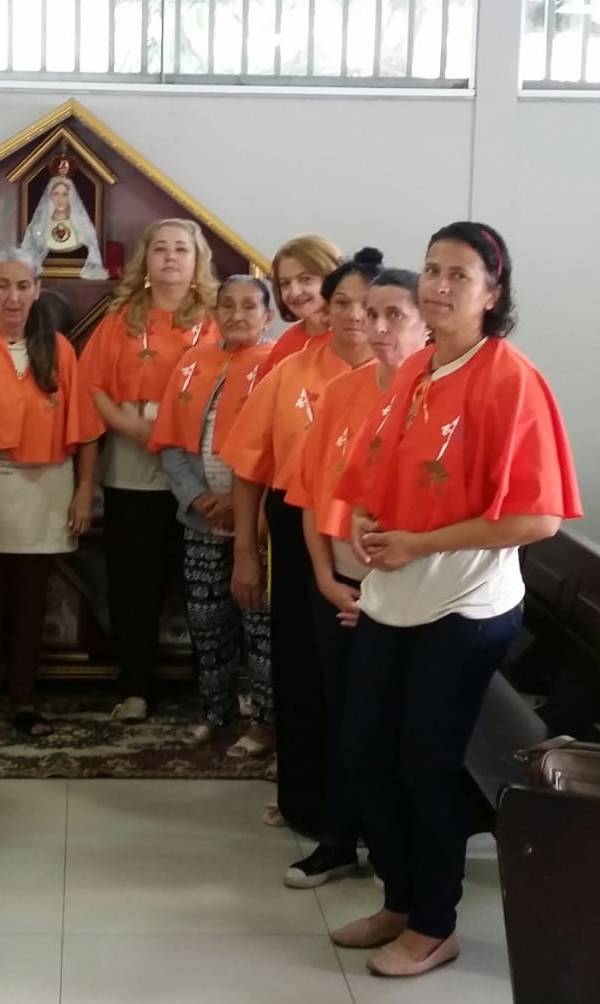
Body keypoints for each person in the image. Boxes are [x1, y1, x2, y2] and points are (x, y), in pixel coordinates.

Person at [330, 222, 582, 977]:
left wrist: (419, 544)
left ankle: (435, 923)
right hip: (395, 597)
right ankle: (401, 899)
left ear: (492, 293)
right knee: (364, 755)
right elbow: (382, 472)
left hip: (464, 606)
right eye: (432, 269)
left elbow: (538, 518)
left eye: (460, 275)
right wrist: (370, 519)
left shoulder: (510, 379)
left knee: (427, 767)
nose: (439, 285)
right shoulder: (418, 367)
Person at [220, 247, 384, 835]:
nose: (355, 316)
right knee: (300, 669)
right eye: (342, 303)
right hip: (296, 530)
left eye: (368, 305)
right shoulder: (291, 371)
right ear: (325, 308)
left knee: (367, 681)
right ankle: (305, 802)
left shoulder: (404, 375)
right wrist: (245, 551)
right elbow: (249, 467)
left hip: (375, 538)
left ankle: (365, 813)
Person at [283, 268, 428, 888]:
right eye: (371, 314)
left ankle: (403, 852)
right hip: (341, 582)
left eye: (395, 315)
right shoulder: (344, 391)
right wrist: (323, 578)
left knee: (396, 724)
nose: (377, 327)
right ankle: (339, 838)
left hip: (411, 595)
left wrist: (381, 597)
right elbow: (310, 494)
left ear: (426, 324)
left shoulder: (437, 396)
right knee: (344, 717)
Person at [79, 218, 220, 722]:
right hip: (132, 463)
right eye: (160, 248)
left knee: (204, 584)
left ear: (197, 260)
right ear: (146, 259)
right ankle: (136, 687)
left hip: (200, 468)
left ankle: (214, 690)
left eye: (181, 248)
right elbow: (91, 384)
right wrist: (130, 426)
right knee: (133, 583)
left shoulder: (215, 319)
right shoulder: (121, 318)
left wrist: (179, 439)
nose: (171, 257)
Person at [0, 247, 101, 738]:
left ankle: (24, 700)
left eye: (23, 286)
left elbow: (85, 429)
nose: (13, 296)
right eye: (3, 285)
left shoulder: (58, 347)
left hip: (46, 483)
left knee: (31, 597)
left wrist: (84, 491)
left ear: (38, 290)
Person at [150, 275, 275, 756]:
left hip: (259, 523)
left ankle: (264, 722)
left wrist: (243, 505)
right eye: (227, 306)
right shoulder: (192, 363)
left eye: (249, 306)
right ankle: (215, 712)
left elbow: (284, 448)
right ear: (215, 313)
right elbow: (172, 444)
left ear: (267, 316)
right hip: (202, 520)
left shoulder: (280, 364)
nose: (237, 315)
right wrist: (200, 499)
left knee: (261, 627)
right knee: (206, 623)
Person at [259, 234, 343, 376]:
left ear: (331, 279)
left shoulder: (350, 341)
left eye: (305, 279)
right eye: (285, 283)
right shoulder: (287, 340)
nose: (294, 292)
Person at [22, 176, 108, 279]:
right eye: (56, 194)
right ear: (49, 197)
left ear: (71, 197)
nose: (60, 199)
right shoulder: (38, 228)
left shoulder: (83, 228)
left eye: (65, 194)